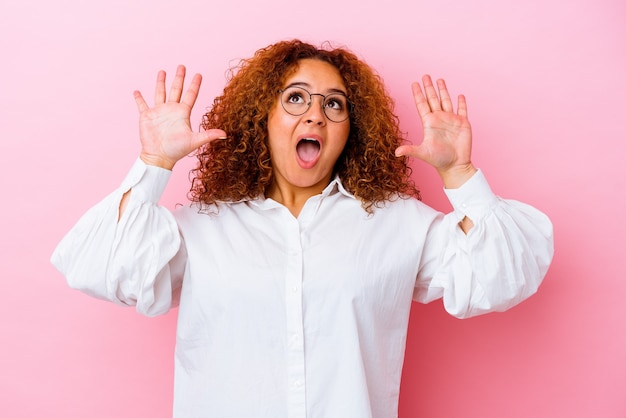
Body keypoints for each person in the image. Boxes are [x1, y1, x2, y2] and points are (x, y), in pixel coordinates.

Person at [51, 39, 554, 418]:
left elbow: (501, 278)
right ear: (262, 118)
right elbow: (100, 269)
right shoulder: (199, 228)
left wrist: (460, 176)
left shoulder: (396, 224)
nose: (315, 112)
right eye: (296, 98)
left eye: (333, 104)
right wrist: (155, 162)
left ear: (349, 129)